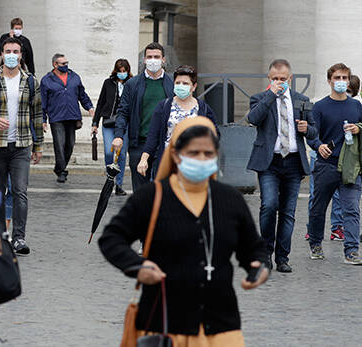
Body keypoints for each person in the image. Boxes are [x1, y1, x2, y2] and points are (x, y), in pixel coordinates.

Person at [99, 117, 268, 344]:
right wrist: (136, 266)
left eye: (208, 154)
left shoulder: (231, 200)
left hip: (221, 324)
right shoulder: (152, 196)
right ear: (176, 156)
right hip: (165, 324)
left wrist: (258, 266)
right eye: (193, 153)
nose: (201, 159)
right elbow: (112, 238)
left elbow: (253, 249)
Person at [0, 37, 43, 255]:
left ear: (21, 55)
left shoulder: (30, 81)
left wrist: (38, 146)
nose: (11, 55)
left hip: (21, 145)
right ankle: (0, 235)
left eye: (15, 51)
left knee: (20, 191)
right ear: (1, 54)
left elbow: (37, 114)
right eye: (7, 51)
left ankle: (19, 237)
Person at [246, 59, 316, 273]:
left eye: (283, 79)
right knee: (269, 205)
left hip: (293, 161)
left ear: (290, 79)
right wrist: (271, 95)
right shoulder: (259, 98)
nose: (279, 82)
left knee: (288, 211)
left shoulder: (301, 100)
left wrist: (307, 129)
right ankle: (265, 252)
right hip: (270, 161)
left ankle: (282, 257)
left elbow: (314, 132)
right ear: (269, 79)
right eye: (275, 79)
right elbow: (253, 119)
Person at [307, 63, 362, 264]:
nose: (341, 82)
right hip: (326, 165)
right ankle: (315, 243)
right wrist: (318, 145)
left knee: (351, 208)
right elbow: (312, 134)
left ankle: (351, 250)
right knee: (318, 207)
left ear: (349, 80)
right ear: (329, 80)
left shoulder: (356, 106)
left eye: (344, 78)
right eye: (337, 78)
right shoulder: (320, 107)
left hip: (350, 166)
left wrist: (358, 128)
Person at [112, 42, 174, 192]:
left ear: (163, 60)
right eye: (150, 57)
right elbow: (123, 111)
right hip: (139, 143)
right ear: (144, 60)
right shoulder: (132, 84)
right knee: (141, 190)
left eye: (157, 57)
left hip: (165, 143)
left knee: (164, 188)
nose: (153, 60)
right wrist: (119, 135)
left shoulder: (173, 84)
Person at [138, 65, 218, 176]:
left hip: (194, 165)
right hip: (168, 163)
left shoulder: (203, 108)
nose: (181, 86)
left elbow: (215, 134)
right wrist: (144, 159)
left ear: (194, 87)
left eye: (185, 84)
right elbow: (153, 136)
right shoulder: (164, 106)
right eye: (178, 83)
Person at [41, 53, 94, 183]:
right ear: (55, 64)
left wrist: (89, 107)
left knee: (70, 144)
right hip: (56, 117)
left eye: (66, 63)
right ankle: (61, 171)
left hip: (72, 115)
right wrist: (43, 120)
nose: (66, 65)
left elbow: (82, 94)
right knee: (59, 144)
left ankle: (59, 167)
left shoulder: (74, 77)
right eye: (63, 63)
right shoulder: (46, 80)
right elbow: (42, 101)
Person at [92, 58, 132, 195]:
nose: (122, 73)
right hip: (108, 122)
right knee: (109, 152)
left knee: (121, 154)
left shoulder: (132, 83)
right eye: (120, 71)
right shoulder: (108, 83)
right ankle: (110, 179)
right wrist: (95, 123)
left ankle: (118, 184)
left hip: (125, 123)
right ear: (116, 71)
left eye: (124, 71)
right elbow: (101, 102)